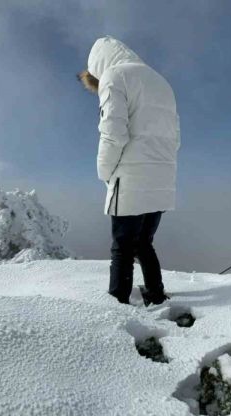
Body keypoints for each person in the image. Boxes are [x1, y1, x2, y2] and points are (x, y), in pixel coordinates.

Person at [78, 36, 180, 306]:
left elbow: (112, 133)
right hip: (162, 177)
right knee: (144, 242)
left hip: (130, 178)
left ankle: (118, 302)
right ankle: (156, 295)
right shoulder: (161, 82)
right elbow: (175, 138)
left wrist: (105, 171)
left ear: (98, 64)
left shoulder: (114, 77)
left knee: (122, 246)